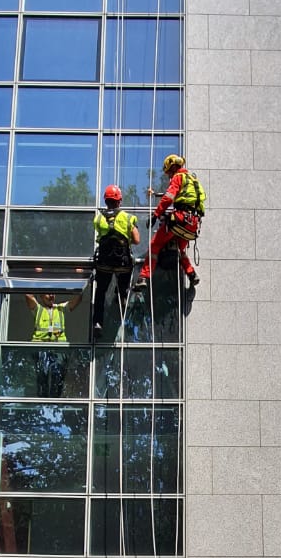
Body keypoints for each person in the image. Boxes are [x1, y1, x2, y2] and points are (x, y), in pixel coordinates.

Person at [139, 154, 205, 286]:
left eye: (169, 172)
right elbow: (197, 201)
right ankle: (191, 274)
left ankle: (143, 277)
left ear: (173, 167)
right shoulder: (193, 180)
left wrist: (156, 215)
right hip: (192, 223)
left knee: (154, 244)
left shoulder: (178, 177)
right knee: (180, 249)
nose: (169, 176)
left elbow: (169, 197)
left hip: (180, 219)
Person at [90, 183, 140, 339]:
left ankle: (98, 322)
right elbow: (137, 240)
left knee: (100, 292)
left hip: (104, 263)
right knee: (123, 284)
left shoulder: (98, 219)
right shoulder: (128, 217)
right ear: (119, 200)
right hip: (122, 263)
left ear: (106, 201)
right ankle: (123, 297)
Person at [25, 287, 81, 397]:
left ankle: (55, 399)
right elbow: (28, 295)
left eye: (53, 293)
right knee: (42, 375)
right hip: (41, 346)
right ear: (41, 296)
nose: (51, 295)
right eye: (47, 293)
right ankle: (43, 399)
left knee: (58, 374)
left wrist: (78, 280)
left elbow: (78, 299)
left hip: (59, 348)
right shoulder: (38, 309)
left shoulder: (60, 308)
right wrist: (36, 279)